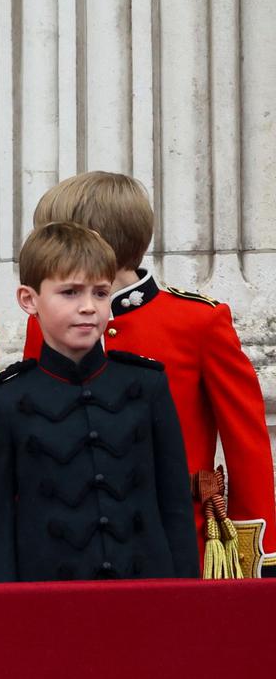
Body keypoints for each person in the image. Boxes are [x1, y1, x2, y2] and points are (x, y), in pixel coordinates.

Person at [24, 172, 274, 577]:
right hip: (73, 542)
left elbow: (247, 442)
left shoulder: (197, 321)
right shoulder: (46, 322)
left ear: (94, 240)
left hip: (178, 539)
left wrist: (260, 551)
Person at [0, 223, 196, 583]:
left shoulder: (147, 385)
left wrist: (186, 596)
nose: (88, 308)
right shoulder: (6, 399)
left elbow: (174, 505)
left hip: (147, 593)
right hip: (48, 603)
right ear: (29, 300)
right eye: (70, 292)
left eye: (100, 293)